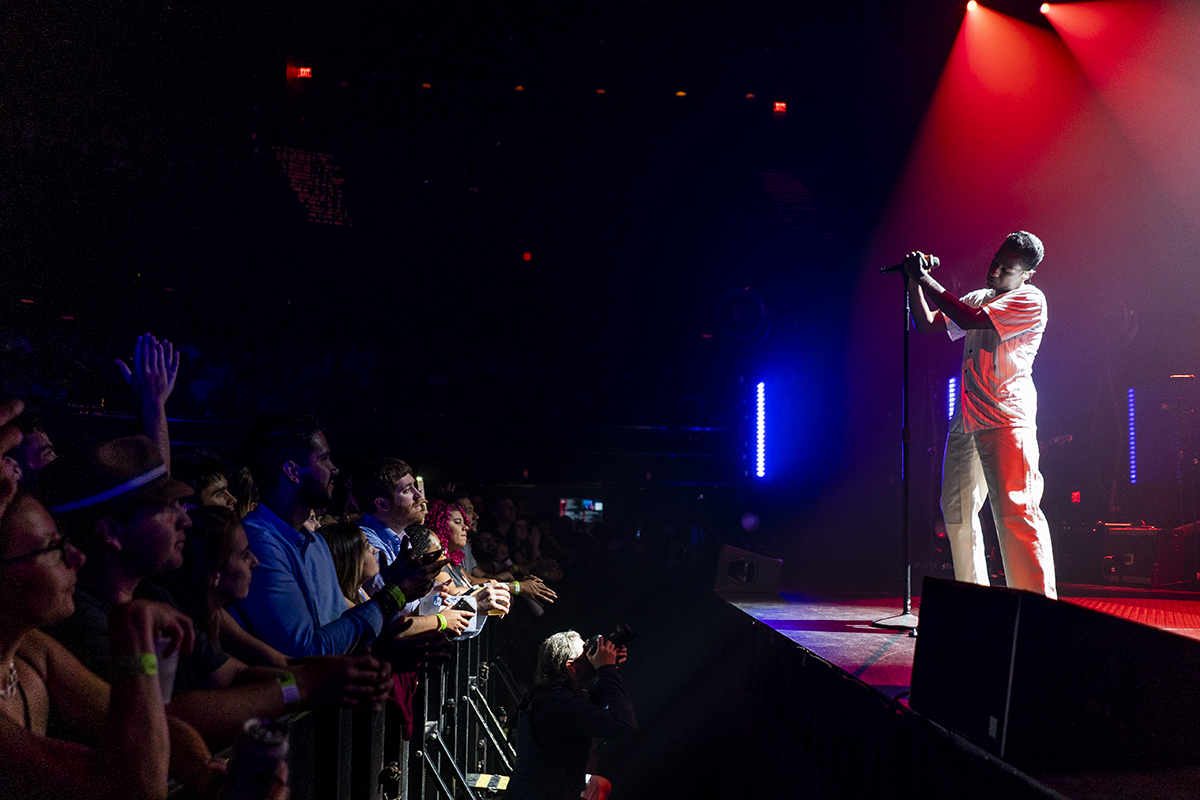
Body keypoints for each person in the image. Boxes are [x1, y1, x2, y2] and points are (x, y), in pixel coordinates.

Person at [39, 435, 393, 745]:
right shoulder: (78, 619)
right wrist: (305, 688)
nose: (185, 520)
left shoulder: (156, 598)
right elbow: (169, 716)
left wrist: (333, 679)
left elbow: (231, 674)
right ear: (109, 532)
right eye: (165, 509)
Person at [0, 408, 222, 800]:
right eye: (53, 547)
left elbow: (161, 729)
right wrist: (134, 643)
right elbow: (133, 786)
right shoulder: (81, 625)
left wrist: (209, 775)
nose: (77, 558)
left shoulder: (32, 651)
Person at [903, 231, 1057, 598]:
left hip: (1006, 419)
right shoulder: (979, 297)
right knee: (955, 512)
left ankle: (1038, 610)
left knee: (1016, 514)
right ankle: (974, 603)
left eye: (1007, 268)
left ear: (1027, 274)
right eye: (996, 261)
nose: (996, 270)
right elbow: (925, 324)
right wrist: (913, 280)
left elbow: (971, 319)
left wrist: (926, 278)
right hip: (967, 419)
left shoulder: (1030, 299)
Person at [233, 415, 441, 657]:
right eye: (323, 459)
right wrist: (393, 595)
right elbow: (307, 652)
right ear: (292, 471)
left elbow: (340, 629)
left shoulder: (315, 542)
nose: (335, 469)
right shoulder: (257, 542)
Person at [507, 631, 637, 800]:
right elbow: (625, 724)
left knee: (599, 784)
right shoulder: (560, 703)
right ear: (571, 666)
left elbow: (593, 701)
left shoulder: (550, 697)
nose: (592, 656)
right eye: (586, 652)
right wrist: (606, 669)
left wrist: (611, 667)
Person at [318, 522, 380, 607]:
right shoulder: (341, 604)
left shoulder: (357, 590)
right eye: (366, 547)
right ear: (348, 560)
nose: (375, 550)